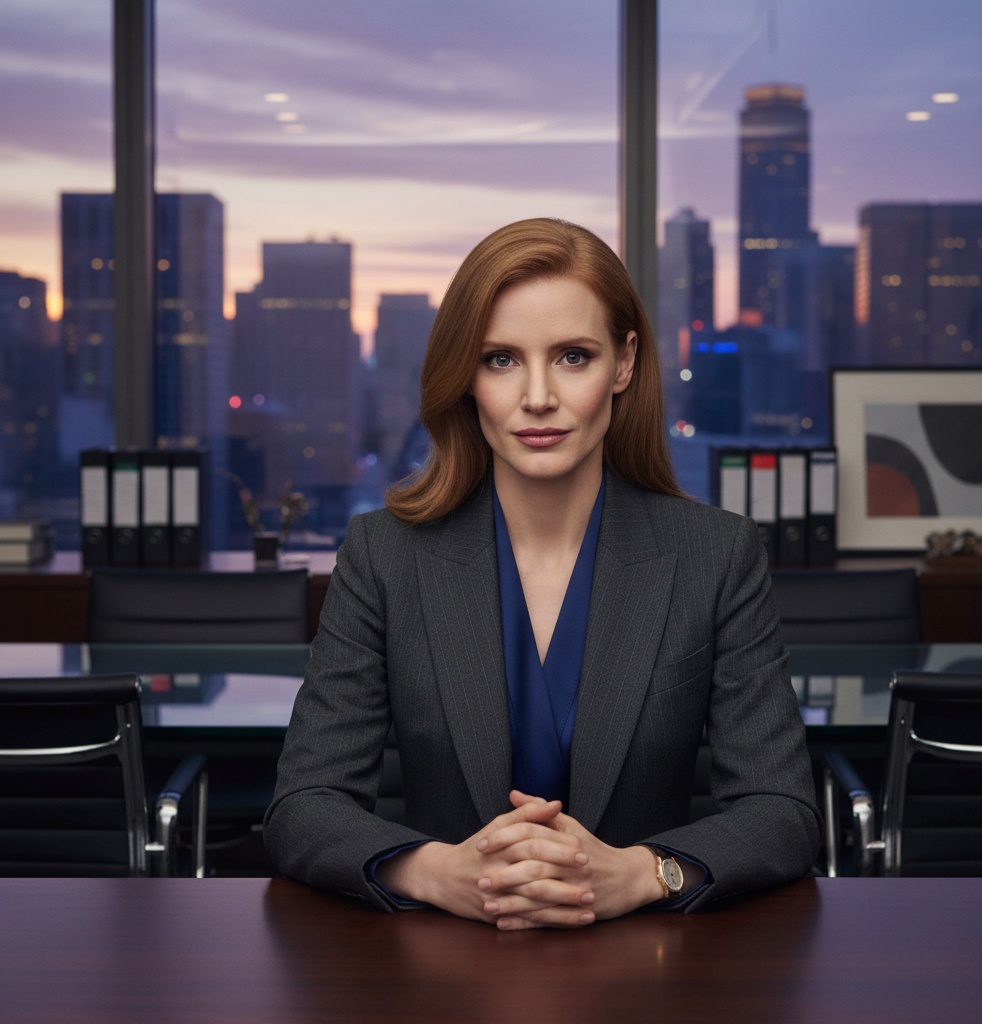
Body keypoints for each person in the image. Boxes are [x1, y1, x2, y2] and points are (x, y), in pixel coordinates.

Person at [264, 218, 821, 929]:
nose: (536, 397)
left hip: (648, 964)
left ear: (623, 365)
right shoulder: (384, 555)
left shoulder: (717, 555)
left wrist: (643, 872)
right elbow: (302, 808)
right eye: (500, 359)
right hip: (441, 962)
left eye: (572, 357)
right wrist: (442, 872)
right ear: (465, 375)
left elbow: (784, 812)